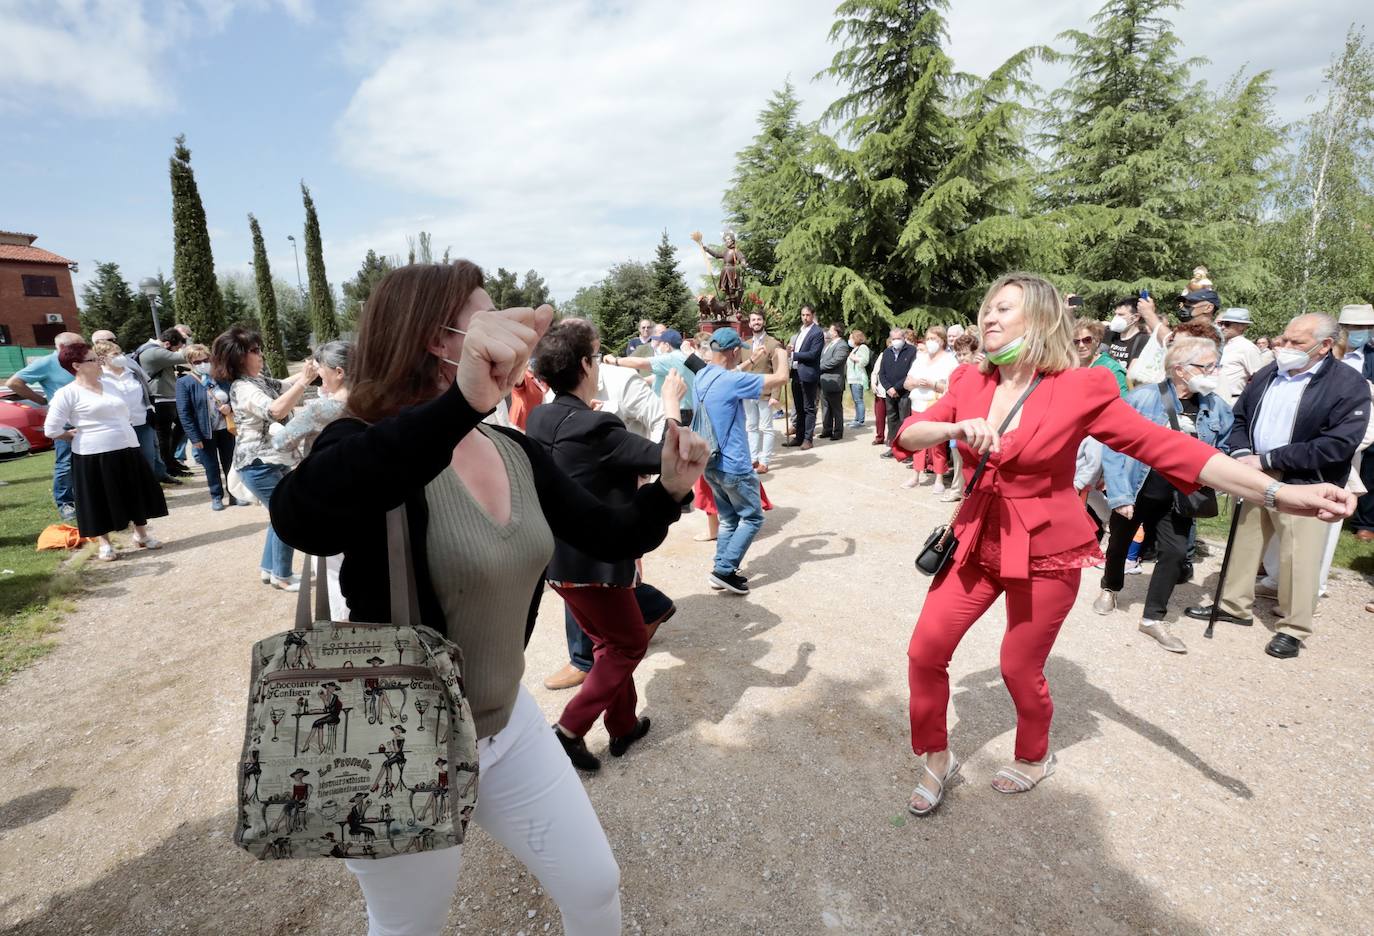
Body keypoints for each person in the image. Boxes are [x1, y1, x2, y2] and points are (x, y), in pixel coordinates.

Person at [269, 261, 707, 936]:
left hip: (507, 725)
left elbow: (607, 530)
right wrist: (456, 407)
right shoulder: (363, 441)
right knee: (409, 925)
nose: (515, 335)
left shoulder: (512, 449)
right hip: (399, 738)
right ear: (436, 341)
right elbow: (302, 517)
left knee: (594, 886)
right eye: (488, 319)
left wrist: (670, 489)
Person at [894, 273, 1353, 816]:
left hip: (1046, 550)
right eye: (987, 307)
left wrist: (1277, 492)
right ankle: (936, 755)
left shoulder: (1080, 388)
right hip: (977, 540)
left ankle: (1034, 755)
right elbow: (909, 434)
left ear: (1040, 319)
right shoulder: (970, 382)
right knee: (925, 651)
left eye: (1005, 308)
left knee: (1019, 666)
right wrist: (952, 430)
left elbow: (1172, 450)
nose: (989, 316)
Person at [527, 319, 689, 770]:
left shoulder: (542, 416)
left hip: (554, 562)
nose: (598, 364)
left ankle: (623, 726)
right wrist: (671, 404)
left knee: (606, 645)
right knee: (627, 645)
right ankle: (568, 729)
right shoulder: (598, 427)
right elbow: (673, 456)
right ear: (584, 364)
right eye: (596, 357)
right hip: (597, 564)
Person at [1185, 313, 1371, 659]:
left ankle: (1294, 627)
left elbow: (1338, 444)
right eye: (1283, 339)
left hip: (1308, 482)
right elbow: (1240, 416)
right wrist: (1241, 453)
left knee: (1298, 555)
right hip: (1253, 471)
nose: (1284, 347)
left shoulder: (1348, 384)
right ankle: (1233, 605)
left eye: (1295, 343)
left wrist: (1269, 460)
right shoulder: (1270, 372)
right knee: (1245, 541)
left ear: (1325, 345)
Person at [1094, 337, 1233, 653]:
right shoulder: (1143, 398)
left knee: (1175, 552)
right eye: (1207, 366)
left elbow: (1223, 447)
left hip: (1181, 494)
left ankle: (1153, 618)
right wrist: (1120, 496)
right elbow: (1115, 446)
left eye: (1215, 365)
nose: (1214, 371)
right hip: (1139, 488)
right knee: (1119, 542)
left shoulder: (1216, 406)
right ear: (1181, 370)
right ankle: (1110, 587)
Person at [213, 326, 319, 591]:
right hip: (259, 463)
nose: (261, 355)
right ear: (238, 357)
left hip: (270, 461)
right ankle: (282, 576)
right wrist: (306, 381)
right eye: (255, 351)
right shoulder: (243, 388)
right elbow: (275, 409)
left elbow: (285, 386)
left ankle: (269, 568)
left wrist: (311, 370)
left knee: (278, 514)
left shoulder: (257, 381)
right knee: (287, 515)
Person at [42, 342, 167, 560]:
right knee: (98, 498)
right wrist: (68, 434)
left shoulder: (109, 385)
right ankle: (105, 543)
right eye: (93, 359)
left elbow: (124, 412)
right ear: (77, 365)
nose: (99, 363)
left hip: (127, 447)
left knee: (134, 492)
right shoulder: (67, 394)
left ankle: (141, 535)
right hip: (93, 454)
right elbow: (51, 429)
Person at [695, 327, 789, 593]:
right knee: (752, 518)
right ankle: (724, 570)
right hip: (734, 463)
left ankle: (721, 568)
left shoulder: (702, 375)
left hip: (710, 463)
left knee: (728, 519)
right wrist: (780, 352)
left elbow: (730, 374)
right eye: (740, 353)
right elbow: (780, 378)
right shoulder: (732, 382)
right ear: (734, 351)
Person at [5, 330, 83, 519]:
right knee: (65, 464)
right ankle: (65, 503)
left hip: (88, 419)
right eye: (78, 346)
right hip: (65, 423)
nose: (83, 348)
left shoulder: (84, 360)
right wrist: (40, 399)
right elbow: (14, 382)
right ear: (63, 348)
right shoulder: (48, 362)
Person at [174, 343, 237, 510]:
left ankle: (234, 494)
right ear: (190, 363)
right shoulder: (185, 382)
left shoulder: (221, 377)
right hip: (204, 433)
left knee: (230, 463)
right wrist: (194, 437)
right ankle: (216, 496)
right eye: (197, 362)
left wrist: (229, 406)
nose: (202, 363)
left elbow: (234, 396)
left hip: (226, 428)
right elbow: (184, 412)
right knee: (211, 466)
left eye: (205, 359)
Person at [902, 326, 959, 491]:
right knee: (917, 441)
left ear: (942, 340)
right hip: (917, 404)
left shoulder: (950, 360)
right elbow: (907, 383)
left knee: (937, 444)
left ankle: (939, 478)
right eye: (928, 339)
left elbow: (952, 387)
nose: (930, 342)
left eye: (934, 339)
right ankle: (916, 475)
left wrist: (933, 385)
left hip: (936, 405)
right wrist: (915, 383)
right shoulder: (920, 358)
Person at [602, 329, 697, 425]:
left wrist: (615, 361)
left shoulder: (669, 358)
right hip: (687, 411)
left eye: (660, 343)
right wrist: (640, 381)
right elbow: (658, 377)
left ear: (667, 346)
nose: (658, 346)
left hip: (674, 411)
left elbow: (641, 362)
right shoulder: (684, 357)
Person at [1337, 303, 1374, 541]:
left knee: (1369, 468)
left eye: (1366, 327)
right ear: (1344, 328)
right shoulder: (1331, 353)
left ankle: (1366, 522)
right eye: (1355, 327)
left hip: (1366, 419)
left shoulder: (1371, 358)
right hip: (1332, 416)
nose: (1361, 331)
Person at [138, 328, 191, 477]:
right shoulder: (155, 352)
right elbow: (185, 356)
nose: (178, 350)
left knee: (180, 427)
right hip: (160, 399)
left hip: (167, 397)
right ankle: (167, 466)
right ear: (167, 344)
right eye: (177, 347)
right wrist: (188, 342)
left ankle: (170, 460)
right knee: (164, 436)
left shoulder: (154, 349)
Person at [740, 310, 785, 472]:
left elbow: (779, 370)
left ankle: (764, 462)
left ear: (763, 322)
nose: (756, 322)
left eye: (759, 319)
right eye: (753, 320)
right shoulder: (744, 344)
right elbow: (741, 369)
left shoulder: (773, 343)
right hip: (747, 393)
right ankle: (753, 459)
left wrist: (775, 394)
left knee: (766, 428)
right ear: (750, 323)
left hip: (765, 392)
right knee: (751, 427)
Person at [783, 305, 823, 449]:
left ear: (813, 315)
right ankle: (799, 437)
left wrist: (794, 355)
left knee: (809, 408)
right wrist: (791, 350)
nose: (804, 318)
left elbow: (813, 354)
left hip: (808, 375)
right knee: (798, 408)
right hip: (796, 374)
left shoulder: (817, 332)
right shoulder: (801, 331)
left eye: (807, 315)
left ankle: (808, 439)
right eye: (802, 315)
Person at [877, 327, 918, 459]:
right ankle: (892, 447)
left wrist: (897, 388)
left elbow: (911, 372)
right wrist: (889, 388)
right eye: (893, 339)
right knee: (892, 420)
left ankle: (907, 449)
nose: (896, 341)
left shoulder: (912, 351)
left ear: (904, 338)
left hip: (904, 393)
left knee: (905, 420)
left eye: (898, 338)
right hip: (890, 393)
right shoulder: (887, 352)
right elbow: (881, 373)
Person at [1216, 307, 1266, 405]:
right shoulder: (1221, 346)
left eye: (1227, 324)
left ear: (1241, 326)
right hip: (1214, 400)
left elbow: (1259, 378)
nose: (1222, 327)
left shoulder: (1247, 348)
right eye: (1221, 324)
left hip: (1232, 402)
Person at [1073, 319, 1127, 394]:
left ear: (1097, 341)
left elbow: (1123, 401)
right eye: (1076, 341)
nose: (1081, 345)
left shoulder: (1112, 368)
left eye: (1087, 340)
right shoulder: (1069, 366)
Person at [818, 323, 849, 441]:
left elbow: (835, 361)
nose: (828, 332)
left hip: (834, 381)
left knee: (836, 408)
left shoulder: (842, 345)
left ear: (836, 332)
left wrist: (819, 366)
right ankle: (827, 429)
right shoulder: (828, 344)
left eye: (830, 330)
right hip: (824, 380)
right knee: (825, 407)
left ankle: (838, 432)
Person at [1103, 298, 1151, 372]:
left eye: (1121, 315)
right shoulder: (1108, 334)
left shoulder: (1144, 340)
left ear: (1135, 317)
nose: (1116, 318)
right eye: (1115, 314)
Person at [846, 329, 871, 428]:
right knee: (855, 400)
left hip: (858, 378)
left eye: (851, 338)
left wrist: (854, 358)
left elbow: (864, 361)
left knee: (858, 400)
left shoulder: (863, 347)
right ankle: (856, 419)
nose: (849, 340)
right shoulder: (854, 349)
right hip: (852, 378)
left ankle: (860, 421)